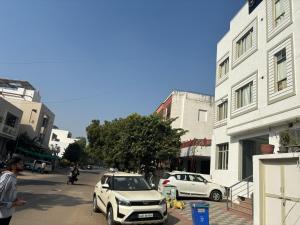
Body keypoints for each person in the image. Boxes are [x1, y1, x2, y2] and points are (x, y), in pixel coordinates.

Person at [0, 156, 26, 225]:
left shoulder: (13, 177)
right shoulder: (7, 177)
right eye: (20, 163)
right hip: (1, 217)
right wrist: (15, 204)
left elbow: (7, 194)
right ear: (13, 166)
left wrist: (16, 199)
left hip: (7, 215)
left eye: (22, 163)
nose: (22, 165)